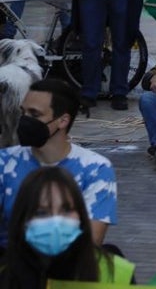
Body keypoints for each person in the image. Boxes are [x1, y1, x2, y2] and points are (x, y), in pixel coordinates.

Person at [0, 79, 117, 247]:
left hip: (66, 268)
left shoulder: (95, 169)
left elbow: (92, 241)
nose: (24, 120)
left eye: (35, 115)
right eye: (23, 113)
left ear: (63, 121)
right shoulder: (4, 162)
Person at [0, 167, 134, 289]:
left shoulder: (116, 273)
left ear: (81, 215)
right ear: (22, 220)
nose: (56, 222)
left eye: (66, 210)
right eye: (42, 212)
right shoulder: (5, 276)